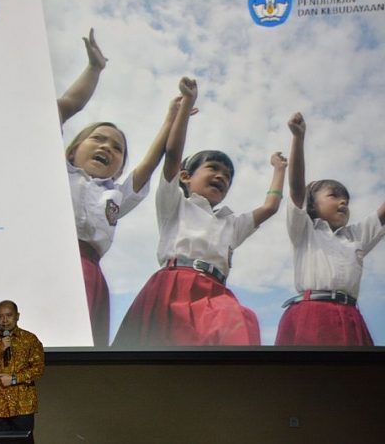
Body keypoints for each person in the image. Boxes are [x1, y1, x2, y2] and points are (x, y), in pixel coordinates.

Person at [113, 77, 288, 347]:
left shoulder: (231, 223)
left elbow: (270, 207)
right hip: (173, 286)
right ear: (185, 176)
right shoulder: (175, 204)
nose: (221, 177)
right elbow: (172, 155)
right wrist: (186, 107)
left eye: (228, 176)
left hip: (215, 293)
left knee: (240, 322)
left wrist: (279, 170)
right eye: (214, 169)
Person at [56, 29, 194, 346]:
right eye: (98, 139)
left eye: (118, 148)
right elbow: (63, 108)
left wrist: (171, 118)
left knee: (77, 358)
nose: (108, 147)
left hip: (89, 275)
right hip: (48, 265)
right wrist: (94, 69)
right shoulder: (57, 173)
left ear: (119, 166)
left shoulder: (116, 195)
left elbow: (150, 164)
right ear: (72, 150)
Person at [275, 112, 385, 346]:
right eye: (334, 195)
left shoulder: (355, 236)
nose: (343, 202)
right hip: (311, 314)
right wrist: (298, 138)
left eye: (346, 199)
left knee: (354, 380)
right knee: (309, 378)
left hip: (350, 316)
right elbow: (296, 190)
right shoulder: (305, 231)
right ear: (312, 205)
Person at [0, 300, 44, 443]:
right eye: (0, 317)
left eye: (9, 315)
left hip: (23, 405)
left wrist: (13, 379)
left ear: (17, 316)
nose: (5, 320)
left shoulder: (30, 339)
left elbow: (38, 369)